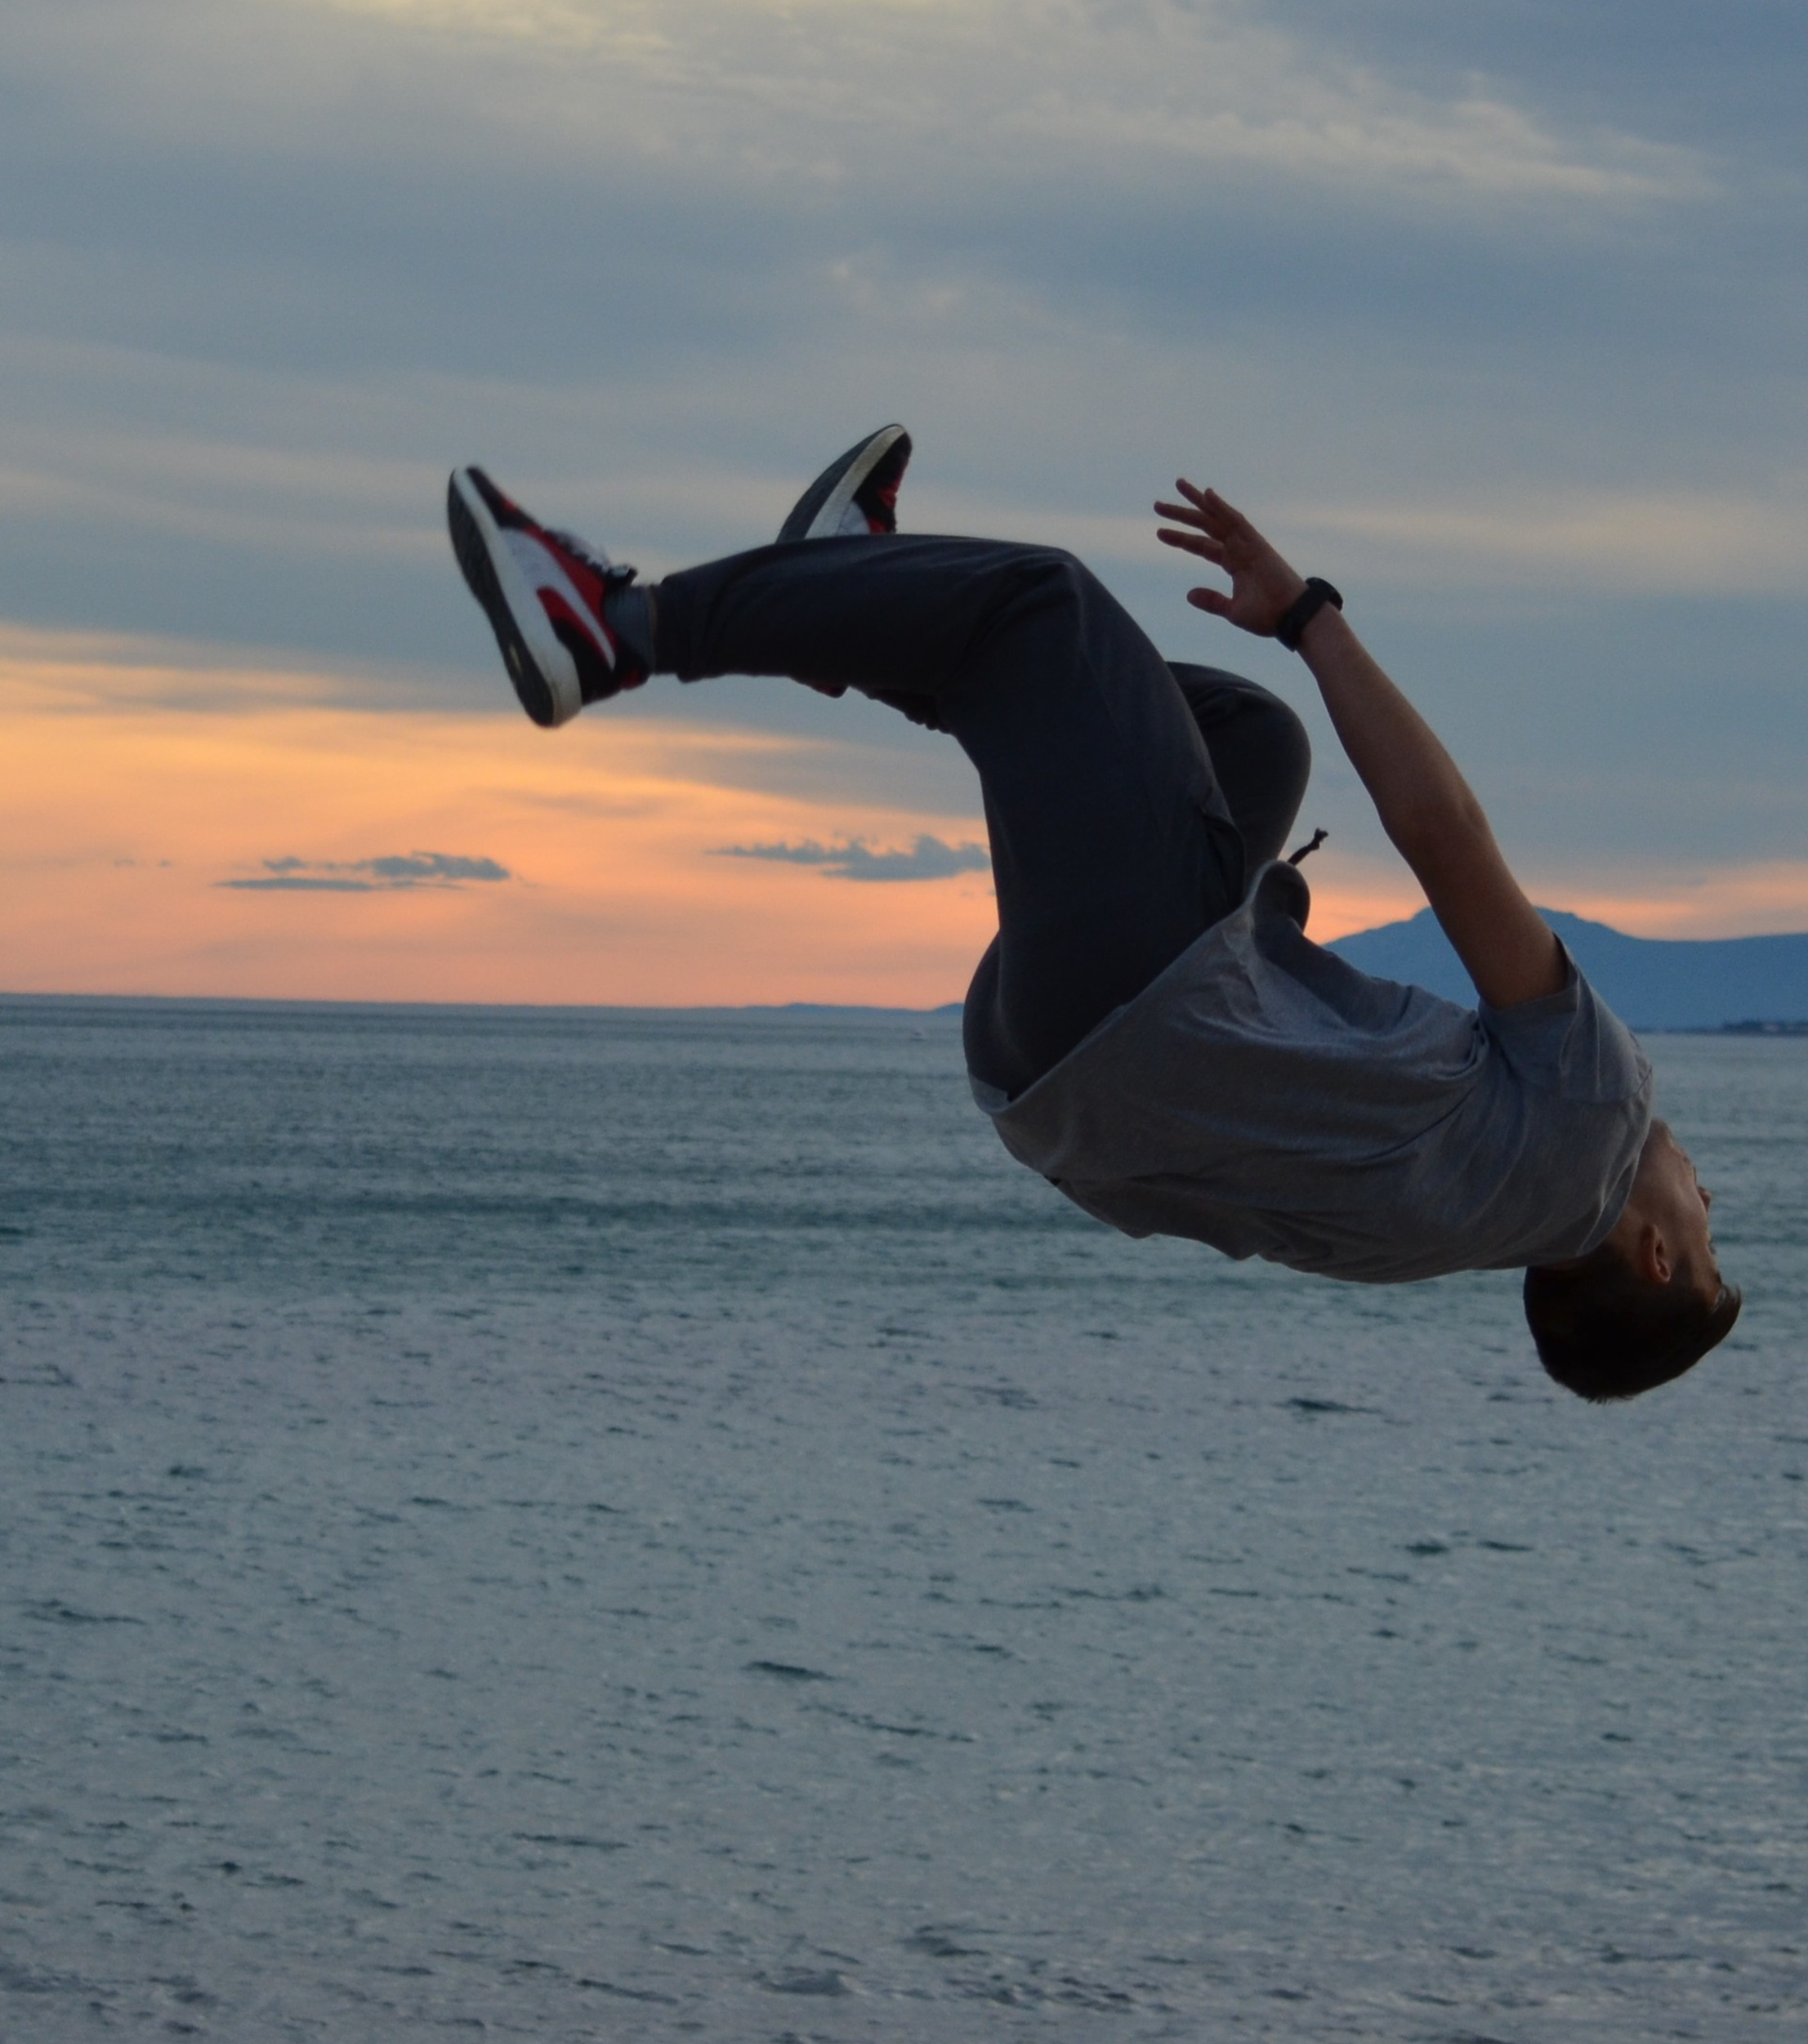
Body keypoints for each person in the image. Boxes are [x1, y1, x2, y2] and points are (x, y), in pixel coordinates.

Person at [446, 427, 1739, 1401]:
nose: (1702, 1190)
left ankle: (612, 628)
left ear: (1659, 1258)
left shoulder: (1594, 1123)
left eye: (1708, 1228)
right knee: (1249, 745)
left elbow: (1444, 838)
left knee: (1040, 611)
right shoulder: (1451, 1232)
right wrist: (1264, 913)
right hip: (1038, 1084)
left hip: (1134, 991)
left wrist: (1308, 614)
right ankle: (853, 603)